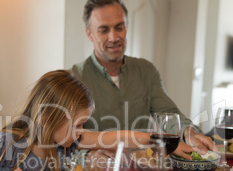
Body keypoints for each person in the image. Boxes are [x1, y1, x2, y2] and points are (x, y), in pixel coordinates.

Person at [0, 70, 195, 171]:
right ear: (48, 120)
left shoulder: (68, 141)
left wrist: (156, 141)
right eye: (78, 124)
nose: (81, 132)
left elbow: (116, 137)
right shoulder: (9, 142)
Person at [71, 0, 214, 154]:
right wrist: (89, 155)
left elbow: (168, 112)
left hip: (143, 170)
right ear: (89, 34)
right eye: (104, 30)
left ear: (127, 26)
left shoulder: (146, 71)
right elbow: (66, 139)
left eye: (119, 27)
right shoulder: (73, 78)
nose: (113, 37)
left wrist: (188, 132)